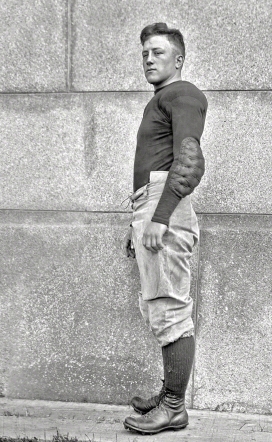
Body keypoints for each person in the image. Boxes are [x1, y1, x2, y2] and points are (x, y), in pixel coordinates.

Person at [122, 23, 207, 435]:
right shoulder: (163, 99)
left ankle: (174, 406)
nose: (149, 60)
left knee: (171, 309)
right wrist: (137, 223)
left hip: (163, 207)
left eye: (158, 52)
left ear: (179, 59)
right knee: (158, 305)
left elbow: (189, 161)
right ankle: (168, 393)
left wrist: (159, 217)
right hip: (151, 205)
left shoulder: (182, 94)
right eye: (144, 54)